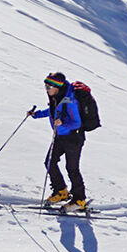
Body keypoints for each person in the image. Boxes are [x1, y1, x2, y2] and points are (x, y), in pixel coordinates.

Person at [31, 73, 89, 211]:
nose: (46, 89)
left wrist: (63, 123)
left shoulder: (70, 101)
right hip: (60, 136)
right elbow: (52, 111)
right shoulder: (57, 97)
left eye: (49, 87)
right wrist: (36, 114)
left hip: (73, 138)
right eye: (45, 86)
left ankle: (79, 199)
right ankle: (61, 191)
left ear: (57, 87)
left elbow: (77, 123)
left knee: (72, 169)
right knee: (49, 162)